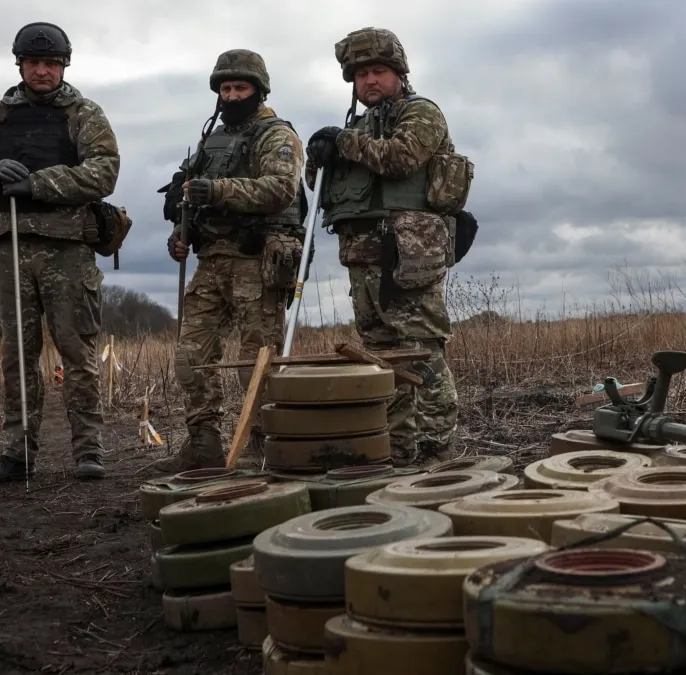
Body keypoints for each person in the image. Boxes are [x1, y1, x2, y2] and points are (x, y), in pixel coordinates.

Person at [0, 22, 120, 485]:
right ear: (20, 64)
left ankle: (89, 451)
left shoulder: (84, 113)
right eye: (34, 63)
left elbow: (104, 173)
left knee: (77, 351)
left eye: (52, 63)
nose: (43, 71)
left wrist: (38, 183)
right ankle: (16, 454)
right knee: (16, 354)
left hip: (67, 248)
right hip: (9, 247)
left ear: (64, 65)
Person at [305, 27, 473, 467]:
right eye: (360, 75)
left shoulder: (422, 113)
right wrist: (317, 157)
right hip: (360, 253)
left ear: (398, 72)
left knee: (420, 350)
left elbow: (401, 158)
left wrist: (341, 142)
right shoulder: (355, 128)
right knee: (380, 356)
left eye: (378, 71)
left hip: (407, 249)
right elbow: (321, 188)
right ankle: (399, 447)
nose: (369, 82)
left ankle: (437, 450)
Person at [154, 49, 306, 473]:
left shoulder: (277, 135)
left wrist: (217, 190)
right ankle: (204, 443)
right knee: (190, 356)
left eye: (241, 87)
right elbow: (189, 199)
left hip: (257, 261)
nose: (232, 95)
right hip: (212, 260)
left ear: (258, 90)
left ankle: (263, 446)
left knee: (257, 363)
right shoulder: (210, 141)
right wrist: (180, 234)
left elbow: (280, 189)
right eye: (225, 88)